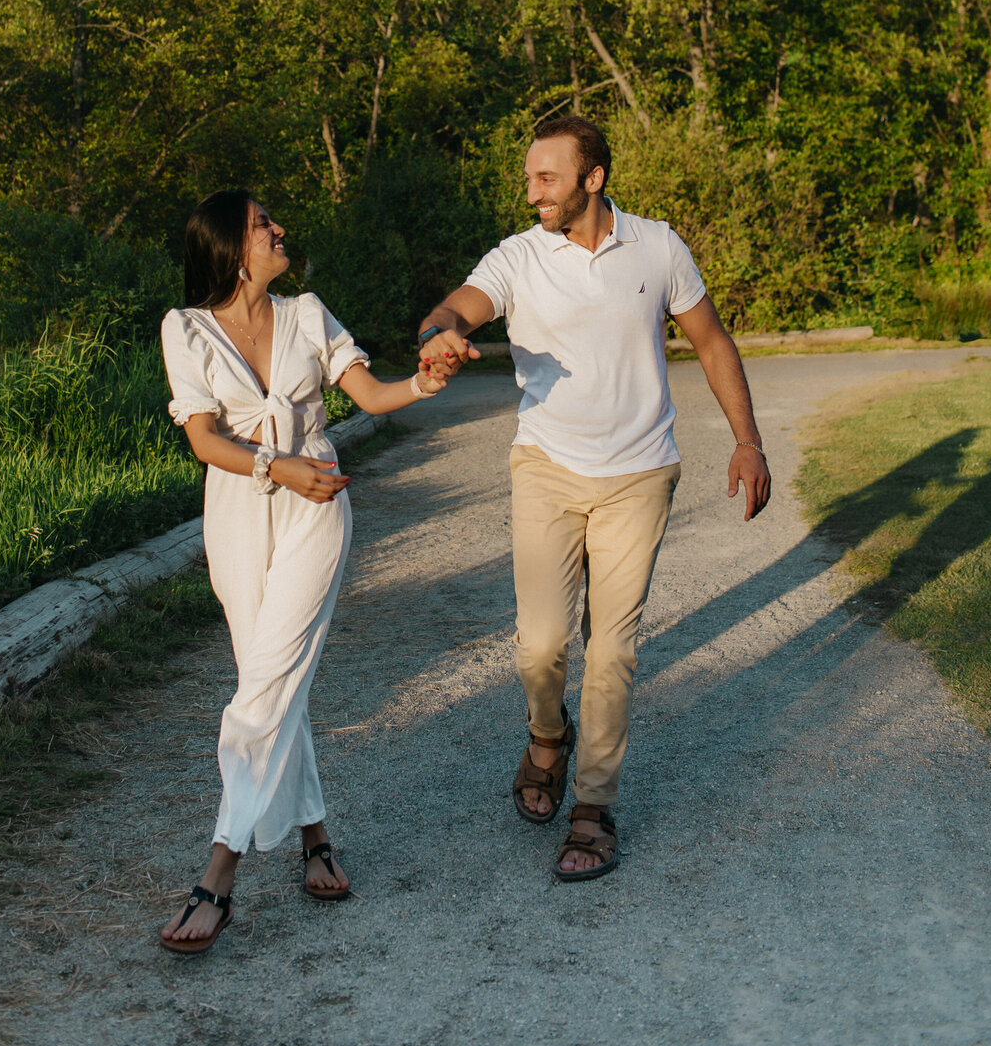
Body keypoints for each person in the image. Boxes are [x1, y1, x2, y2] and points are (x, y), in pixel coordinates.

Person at [416, 116, 769, 884]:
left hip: (640, 474)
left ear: (593, 178)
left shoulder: (657, 246)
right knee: (541, 644)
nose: (532, 189)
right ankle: (548, 736)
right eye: (530, 177)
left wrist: (748, 440)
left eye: (547, 176)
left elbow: (709, 339)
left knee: (612, 650)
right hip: (546, 468)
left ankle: (593, 808)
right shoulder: (519, 254)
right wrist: (438, 334)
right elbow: (457, 308)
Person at [158, 187, 448, 953]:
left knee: (270, 680)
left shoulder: (309, 312)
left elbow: (374, 394)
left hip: (316, 501)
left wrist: (423, 380)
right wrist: (273, 465)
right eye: (262, 224)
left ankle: (218, 875)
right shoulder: (185, 329)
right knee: (270, 680)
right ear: (228, 245)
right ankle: (315, 835)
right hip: (238, 510)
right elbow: (205, 442)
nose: (278, 229)